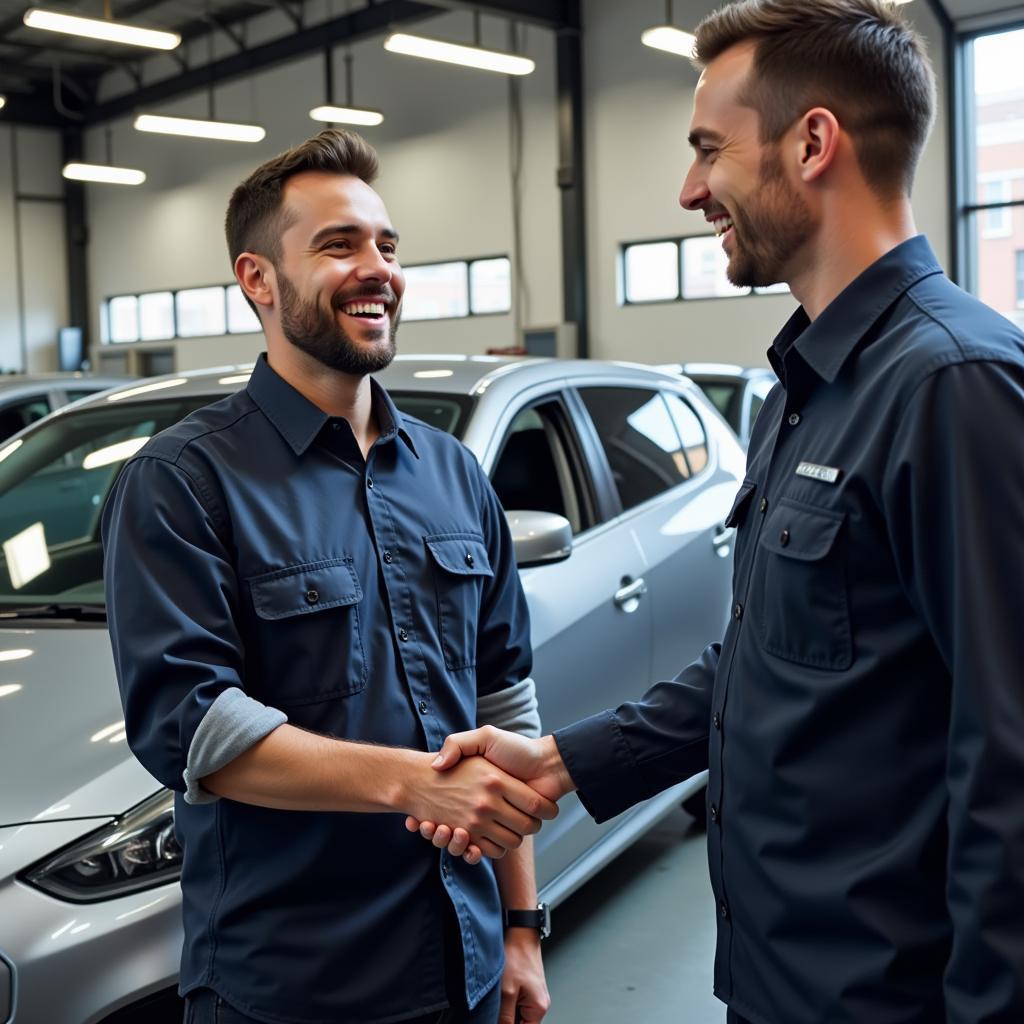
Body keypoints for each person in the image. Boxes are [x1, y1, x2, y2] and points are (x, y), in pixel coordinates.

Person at [409, 1, 1024, 1021]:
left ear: (812, 141)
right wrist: (556, 761)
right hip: (776, 980)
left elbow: (1011, 766)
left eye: (708, 150)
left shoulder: (952, 387)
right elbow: (761, 667)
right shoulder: (799, 389)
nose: (691, 189)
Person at [102, 129, 555, 1024]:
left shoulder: (453, 473)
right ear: (257, 279)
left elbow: (503, 707)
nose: (376, 268)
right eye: (339, 245)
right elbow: (195, 729)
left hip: (460, 966)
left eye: (387, 246)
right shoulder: (184, 480)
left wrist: (520, 926)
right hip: (292, 987)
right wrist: (411, 780)